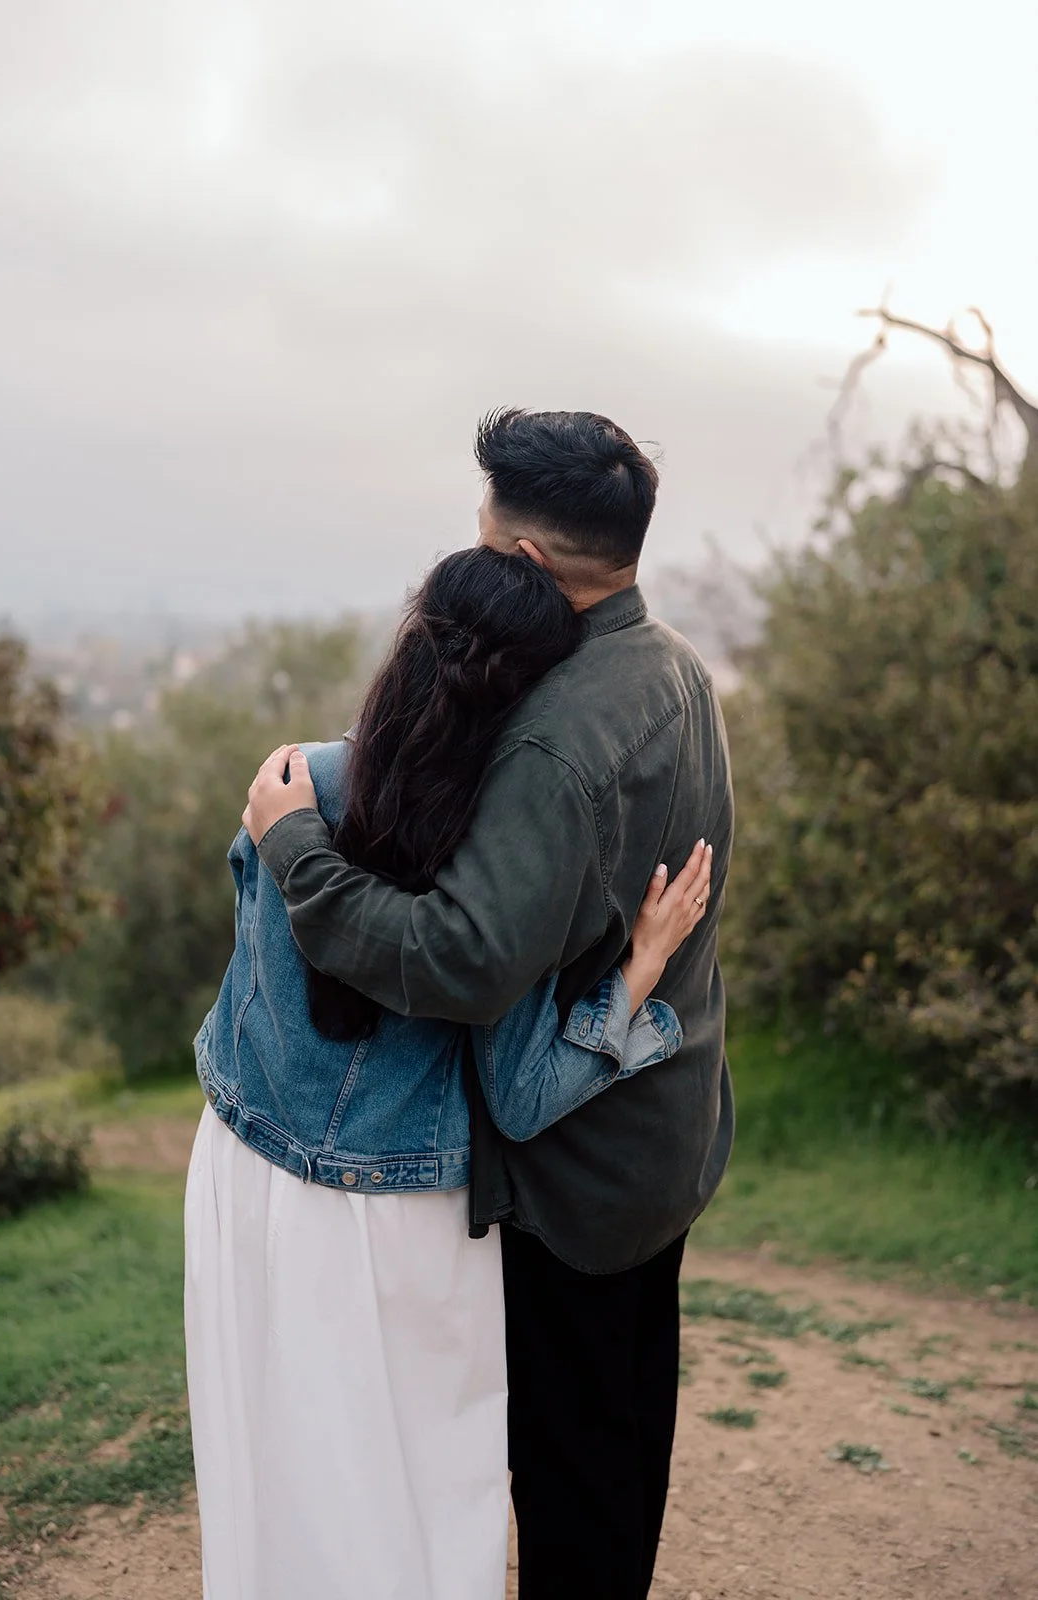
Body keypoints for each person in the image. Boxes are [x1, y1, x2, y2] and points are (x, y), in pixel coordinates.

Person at [244, 408, 735, 1600]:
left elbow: (461, 957)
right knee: (620, 1447)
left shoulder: (554, 740)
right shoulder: (670, 665)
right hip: (661, 1128)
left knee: (571, 1482)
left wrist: (295, 846)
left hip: (572, 1173)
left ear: (520, 561)